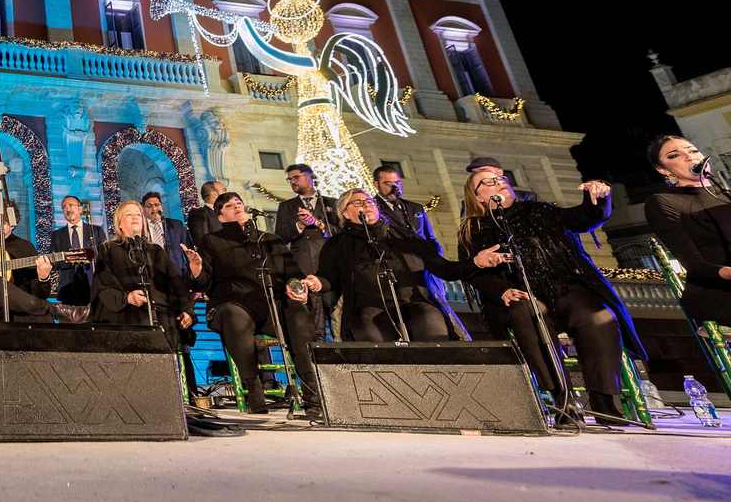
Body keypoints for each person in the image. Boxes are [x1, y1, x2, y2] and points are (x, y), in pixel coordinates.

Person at [457, 168, 641, 421]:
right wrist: (502, 291)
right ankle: (563, 401)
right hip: (520, 293)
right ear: (477, 196)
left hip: (565, 286)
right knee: (528, 313)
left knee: (598, 317)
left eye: (501, 179)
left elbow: (584, 218)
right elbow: (473, 272)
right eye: (488, 182)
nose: (498, 182)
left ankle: (603, 400)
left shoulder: (539, 210)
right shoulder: (471, 228)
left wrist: (596, 195)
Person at [196, 192, 320, 415]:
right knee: (236, 317)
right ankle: (254, 389)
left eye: (239, 202)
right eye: (229, 205)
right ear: (221, 217)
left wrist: (299, 290)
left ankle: (311, 392)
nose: (236, 206)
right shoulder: (212, 241)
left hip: (271, 306)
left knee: (296, 312)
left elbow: (292, 274)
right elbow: (203, 282)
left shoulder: (271, 240)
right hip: (232, 303)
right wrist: (196, 270)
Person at [308, 189, 459, 343]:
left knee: (432, 334)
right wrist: (317, 283)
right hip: (366, 309)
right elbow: (327, 278)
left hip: (414, 304)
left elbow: (442, 267)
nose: (366, 205)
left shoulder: (406, 236)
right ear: (345, 213)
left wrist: (475, 262)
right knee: (375, 349)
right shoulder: (337, 244)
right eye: (358, 202)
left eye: (369, 201)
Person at [92, 200, 196, 362]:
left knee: (167, 322)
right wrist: (127, 298)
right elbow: (104, 284)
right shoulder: (108, 249)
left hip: (160, 312)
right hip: (125, 311)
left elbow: (176, 284)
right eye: (129, 214)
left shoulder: (156, 250)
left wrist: (187, 310)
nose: (135, 218)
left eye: (138, 215)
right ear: (119, 223)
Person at [643, 135, 731, 327]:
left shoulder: (728, 197)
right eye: (674, 155)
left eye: (693, 151)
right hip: (715, 293)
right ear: (662, 169)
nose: (689, 157)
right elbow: (693, 264)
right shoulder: (663, 202)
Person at [0, 209, 90, 324]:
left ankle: (50, 315)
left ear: (13, 225)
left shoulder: (25, 248)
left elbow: (40, 295)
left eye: (1, 223)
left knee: (44, 318)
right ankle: (52, 308)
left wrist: (43, 278)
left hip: (18, 314)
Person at [274, 163, 338, 339]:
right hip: (303, 269)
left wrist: (319, 224)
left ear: (309, 177)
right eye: (290, 179)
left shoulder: (331, 203)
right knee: (314, 324)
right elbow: (279, 237)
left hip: (331, 267)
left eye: (296, 177)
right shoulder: (287, 206)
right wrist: (300, 225)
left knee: (337, 319)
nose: (292, 182)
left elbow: (341, 233)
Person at [50, 194, 106, 306]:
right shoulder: (57, 235)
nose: (68, 209)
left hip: (93, 284)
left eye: (71, 205)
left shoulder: (95, 231)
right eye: (64, 207)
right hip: (68, 287)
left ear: (80, 209)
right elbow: (53, 262)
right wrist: (68, 258)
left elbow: (105, 258)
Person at [373, 166, 436, 242]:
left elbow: (430, 238)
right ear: (376, 185)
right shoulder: (373, 209)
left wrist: (436, 253)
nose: (395, 188)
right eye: (388, 184)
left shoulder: (415, 207)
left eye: (397, 183)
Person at [141, 192, 189, 278]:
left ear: (162, 207)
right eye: (149, 206)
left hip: (177, 274)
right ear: (143, 209)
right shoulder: (140, 229)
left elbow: (188, 251)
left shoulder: (176, 225)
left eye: (157, 205)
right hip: (153, 276)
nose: (154, 208)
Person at [185, 181, 224, 249]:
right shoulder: (199, 213)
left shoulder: (227, 213)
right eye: (224, 190)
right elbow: (201, 240)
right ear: (214, 194)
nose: (228, 193)